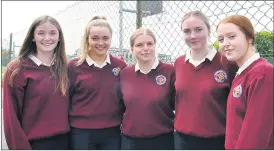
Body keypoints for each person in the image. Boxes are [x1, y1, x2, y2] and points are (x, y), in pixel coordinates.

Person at [173, 10, 238, 149]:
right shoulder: (178, 63)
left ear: (208, 30)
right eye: (187, 31)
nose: (193, 36)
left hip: (217, 141)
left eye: (198, 29)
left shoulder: (227, 62)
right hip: (182, 140)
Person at [3, 15, 70, 150]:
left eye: (52, 33)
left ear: (59, 37)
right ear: (33, 37)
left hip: (66, 142)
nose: (47, 38)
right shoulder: (17, 69)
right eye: (41, 33)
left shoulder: (64, 68)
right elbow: (11, 119)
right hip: (34, 144)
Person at [68, 16, 127, 149]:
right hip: (81, 133)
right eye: (95, 38)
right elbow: (66, 99)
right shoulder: (73, 66)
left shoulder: (120, 66)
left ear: (111, 39)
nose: (101, 43)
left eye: (105, 38)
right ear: (87, 39)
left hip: (112, 132)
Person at [216, 14, 273, 150]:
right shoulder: (243, 72)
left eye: (232, 36)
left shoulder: (263, 74)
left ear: (249, 38)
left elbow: (254, 139)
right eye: (221, 39)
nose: (225, 44)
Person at [117, 28, 175, 150]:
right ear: (132, 49)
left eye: (149, 43)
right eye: (139, 45)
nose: (145, 48)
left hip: (163, 140)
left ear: (155, 45)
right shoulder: (124, 74)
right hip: (131, 140)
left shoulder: (170, 71)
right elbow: (121, 106)